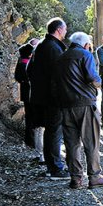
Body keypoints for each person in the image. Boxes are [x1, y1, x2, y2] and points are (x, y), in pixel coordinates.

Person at [52, 32, 103, 189]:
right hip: (85, 104)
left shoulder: (60, 58)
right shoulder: (85, 54)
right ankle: (94, 177)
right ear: (86, 44)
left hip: (66, 105)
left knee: (71, 143)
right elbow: (92, 77)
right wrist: (100, 83)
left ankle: (76, 178)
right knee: (91, 141)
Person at [27, 18, 69, 180]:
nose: (66, 32)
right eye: (64, 29)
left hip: (42, 96)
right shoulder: (52, 48)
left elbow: (29, 70)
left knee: (51, 132)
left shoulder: (42, 45)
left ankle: (53, 165)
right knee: (53, 132)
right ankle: (55, 168)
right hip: (52, 99)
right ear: (58, 30)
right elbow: (59, 75)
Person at [16, 38, 43, 163]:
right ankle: (33, 143)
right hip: (32, 93)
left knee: (29, 118)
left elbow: (17, 77)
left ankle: (30, 141)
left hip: (26, 93)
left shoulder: (21, 59)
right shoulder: (28, 60)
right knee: (34, 119)